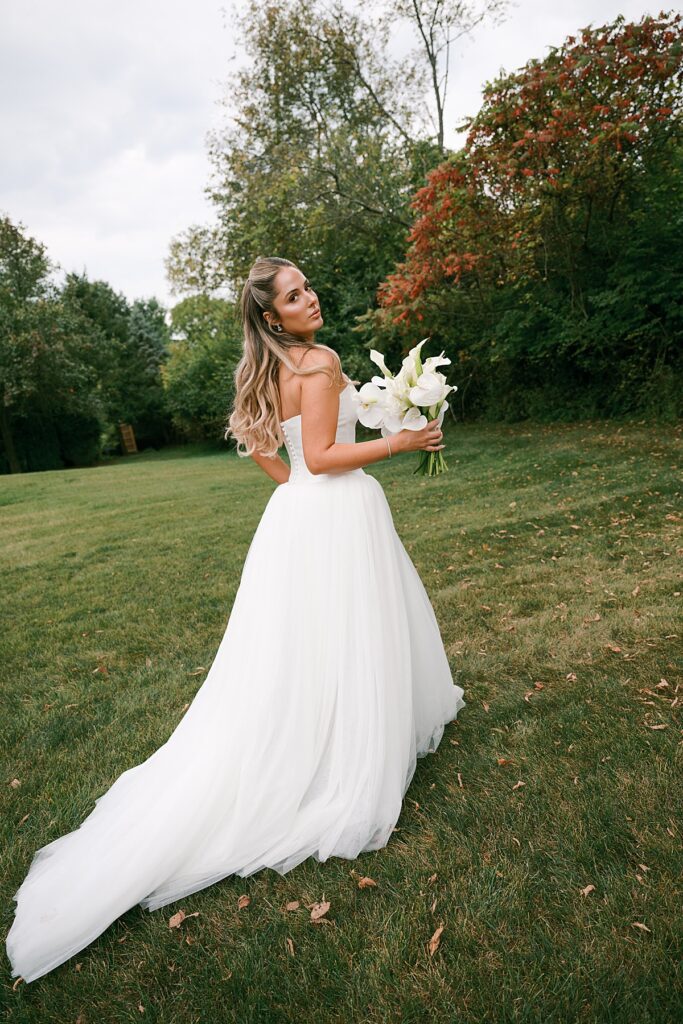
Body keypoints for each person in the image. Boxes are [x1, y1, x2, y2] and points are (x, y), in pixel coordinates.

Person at [6, 255, 465, 985]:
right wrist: (400, 442)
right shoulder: (319, 361)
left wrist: (302, 484)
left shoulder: (265, 368)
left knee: (304, 644)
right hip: (335, 513)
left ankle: (321, 729)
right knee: (343, 632)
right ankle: (344, 750)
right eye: (294, 295)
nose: (310, 298)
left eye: (308, 286)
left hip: (296, 517)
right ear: (271, 315)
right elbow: (323, 455)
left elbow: (269, 451)